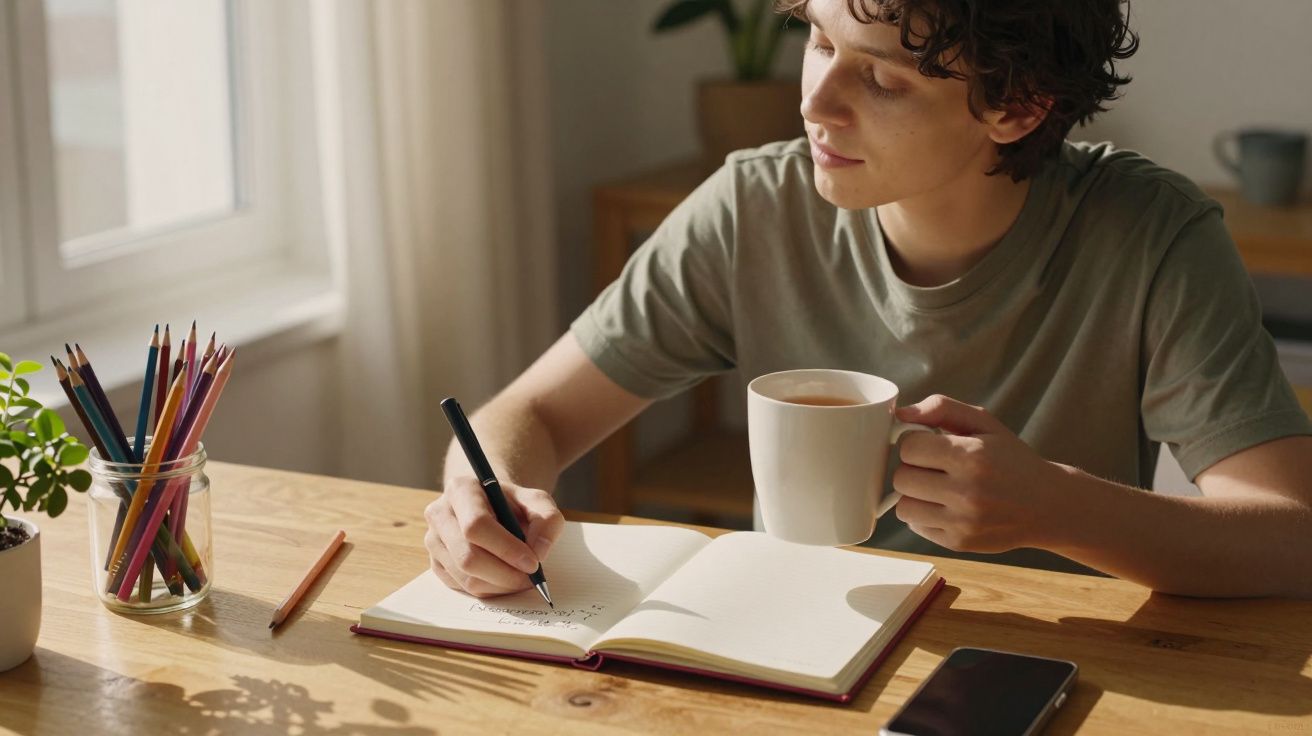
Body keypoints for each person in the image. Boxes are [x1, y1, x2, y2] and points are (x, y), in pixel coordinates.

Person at [425, 0, 1312, 599]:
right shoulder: (752, 208)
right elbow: (530, 413)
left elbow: (1290, 536)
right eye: (817, 39)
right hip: (795, 649)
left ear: (1017, 106)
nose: (815, 100)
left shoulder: (1151, 235)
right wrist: (485, 495)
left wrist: (1054, 507)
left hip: (1045, 673)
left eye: (882, 79)